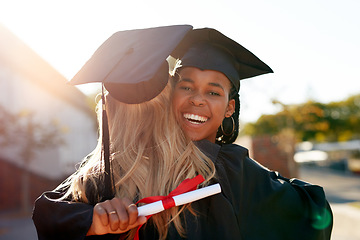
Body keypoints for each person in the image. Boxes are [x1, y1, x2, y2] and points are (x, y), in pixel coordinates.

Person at [32, 25, 333, 240]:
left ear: (230, 108)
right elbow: (49, 212)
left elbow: (309, 212)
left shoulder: (233, 167)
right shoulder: (115, 168)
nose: (197, 99)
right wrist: (93, 220)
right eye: (186, 86)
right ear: (169, 95)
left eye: (213, 92)